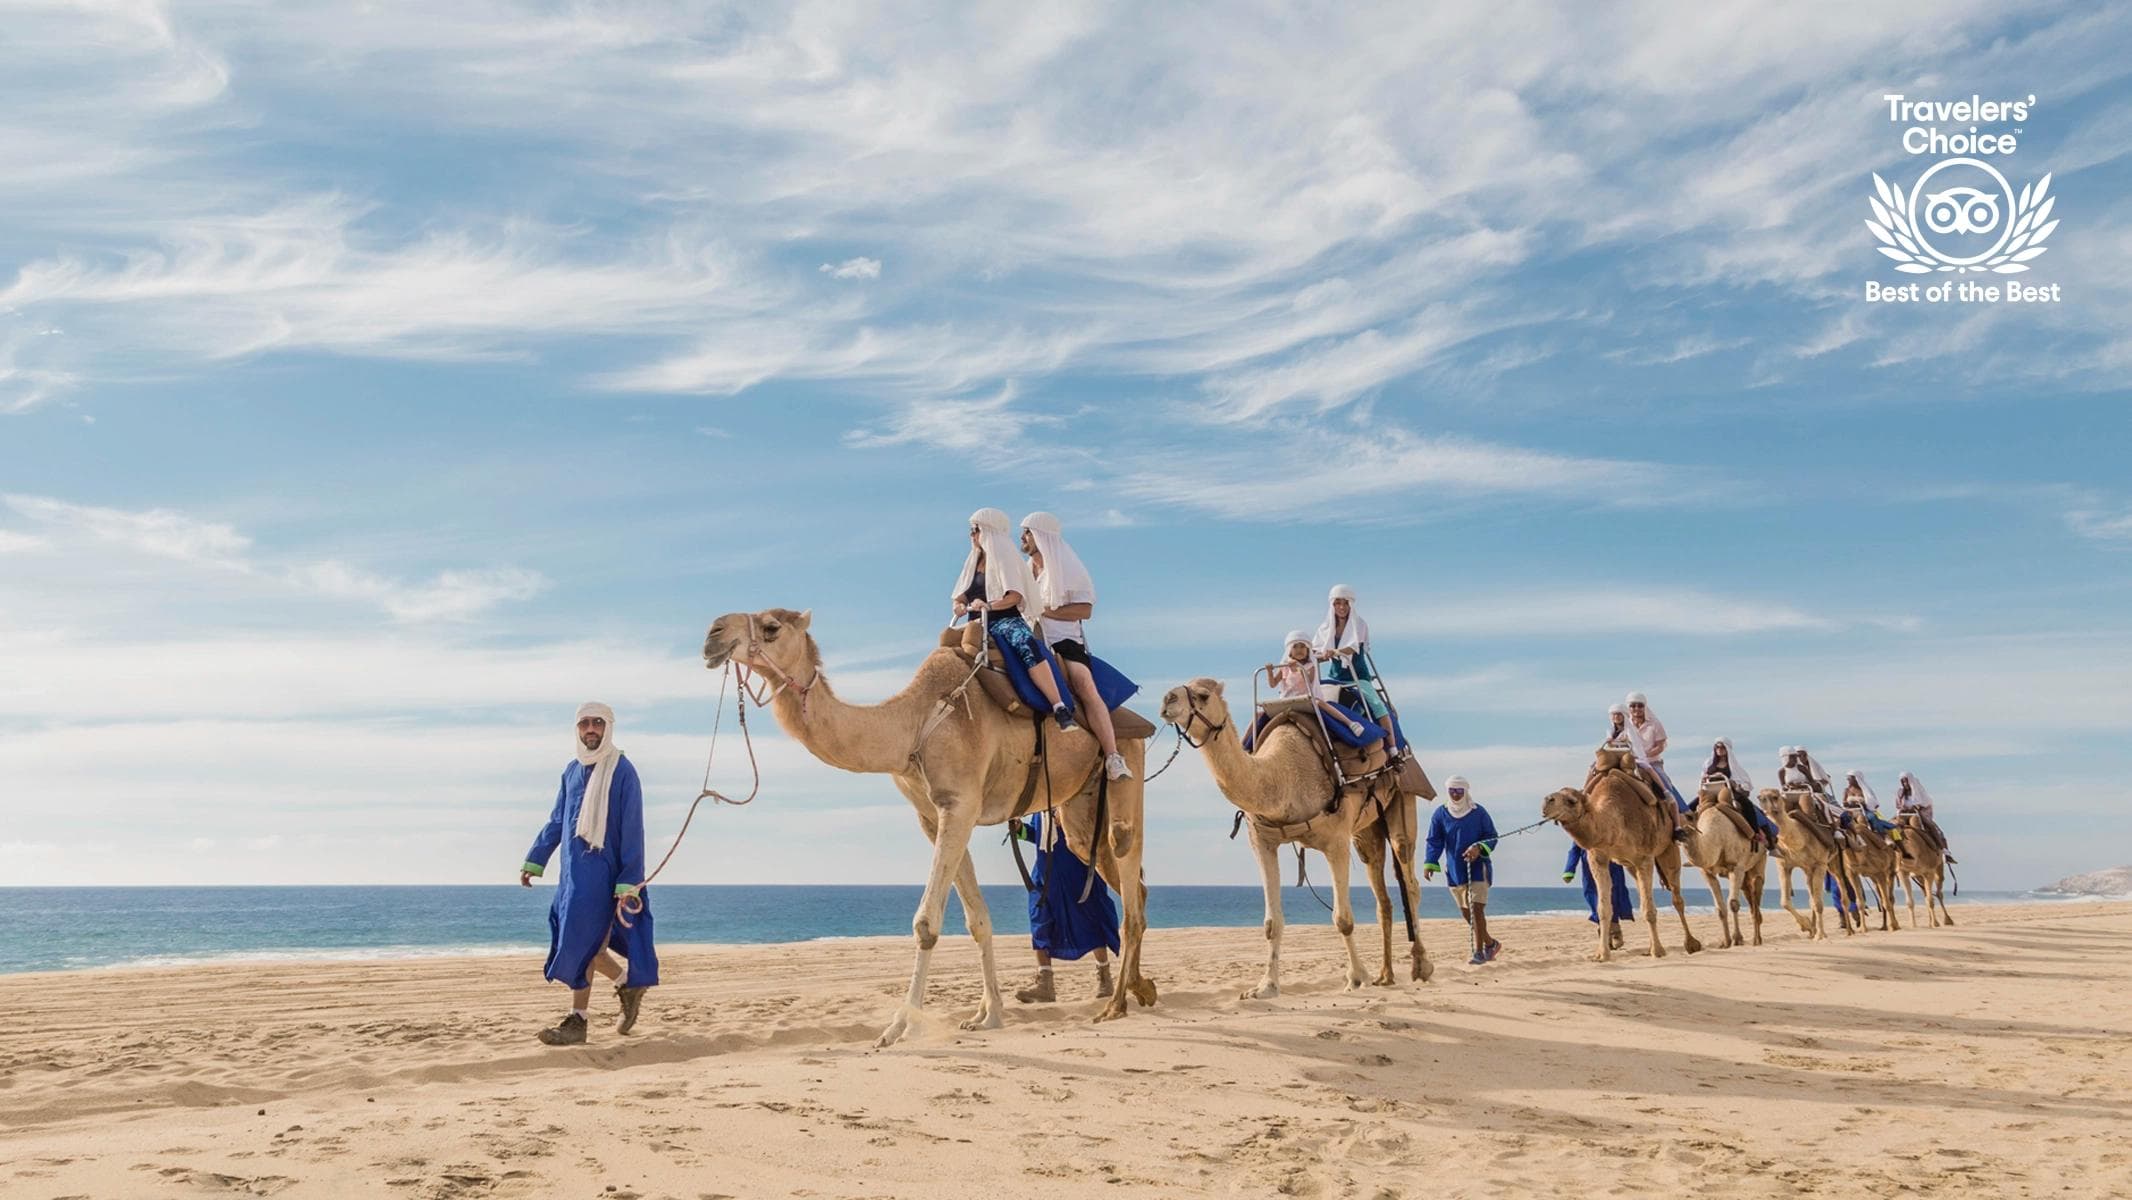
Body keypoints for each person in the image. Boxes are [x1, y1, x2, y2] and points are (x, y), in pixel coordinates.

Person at [520, 702, 657, 1045]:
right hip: (572, 877)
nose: (591, 729)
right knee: (588, 946)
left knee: (585, 945)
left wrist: (629, 880)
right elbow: (557, 820)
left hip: (607, 876)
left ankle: (578, 1021)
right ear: (577, 729)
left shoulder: (623, 770)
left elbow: (633, 827)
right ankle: (626, 985)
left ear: (608, 727)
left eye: (598, 723)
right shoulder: (571, 771)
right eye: (585, 723)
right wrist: (534, 859)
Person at [1020, 512, 1129, 780]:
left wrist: (1044, 611)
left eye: (1028, 532)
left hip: (1064, 642)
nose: (1022, 537)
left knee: (1084, 684)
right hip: (1030, 640)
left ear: (1042, 536)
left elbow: (1084, 610)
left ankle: (1113, 756)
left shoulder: (1068, 569)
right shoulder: (1025, 571)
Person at [953, 507, 1072, 730]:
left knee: (1026, 644)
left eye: (975, 529)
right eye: (971, 530)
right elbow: (960, 595)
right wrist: (959, 606)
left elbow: (1014, 596)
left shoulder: (1005, 558)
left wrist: (988, 606)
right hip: (975, 623)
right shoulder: (973, 562)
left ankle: (1058, 706)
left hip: (1004, 620)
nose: (971, 534)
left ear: (988, 531)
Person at [1009, 812, 1120, 1003]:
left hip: (1078, 871)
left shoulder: (1075, 801)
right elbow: (1037, 836)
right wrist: (1020, 829)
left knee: (1090, 919)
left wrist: (1068, 819)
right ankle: (1045, 985)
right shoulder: (1040, 807)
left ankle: (1104, 978)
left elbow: (1095, 829)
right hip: (1045, 875)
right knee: (1040, 923)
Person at [1423, 776, 1500, 965]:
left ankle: (1479, 952)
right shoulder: (1440, 814)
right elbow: (1434, 840)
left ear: (1466, 791)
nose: (1456, 795)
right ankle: (1491, 944)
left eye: (1459, 791)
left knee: (1476, 909)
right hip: (1455, 869)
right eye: (1452, 791)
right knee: (1466, 913)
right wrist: (1430, 862)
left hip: (1478, 868)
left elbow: (1492, 836)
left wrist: (1478, 848)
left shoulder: (1478, 812)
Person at [1314, 585, 1395, 745]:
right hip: (1335, 677)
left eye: (1345, 603)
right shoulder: (1325, 628)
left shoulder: (1359, 624)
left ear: (1351, 604)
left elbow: (1353, 647)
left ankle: (1392, 746)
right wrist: (1318, 654)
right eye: (1338, 603)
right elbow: (1316, 649)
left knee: (1377, 706)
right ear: (1332, 605)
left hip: (1357, 676)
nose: (1342, 607)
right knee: (1317, 703)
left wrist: (1334, 651)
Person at [1270, 630, 1367, 737]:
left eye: (1302, 647)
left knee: (1319, 702)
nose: (1299, 650)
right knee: (1264, 713)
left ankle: (1350, 723)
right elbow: (1273, 684)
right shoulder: (1284, 667)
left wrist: (1298, 668)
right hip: (1287, 700)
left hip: (1305, 699)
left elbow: (1309, 681)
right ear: (1289, 650)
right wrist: (1269, 671)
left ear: (1307, 650)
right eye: (1295, 647)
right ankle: (1254, 741)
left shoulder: (1310, 666)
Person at [1623, 691, 1691, 841]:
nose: (1636, 709)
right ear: (1628, 708)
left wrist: (1645, 755)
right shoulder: (1625, 725)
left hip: (1651, 761)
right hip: (1630, 762)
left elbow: (1660, 745)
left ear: (1644, 707)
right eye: (1633, 706)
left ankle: (1679, 821)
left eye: (1639, 705)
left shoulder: (1654, 724)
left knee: (1663, 782)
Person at [1702, 737, 1778, 849]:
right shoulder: (1709, 763)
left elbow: (1743, 782)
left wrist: (1735, 784)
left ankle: (1757, 833)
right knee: (1694, 806)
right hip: (1711, 791)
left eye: (1722, 747)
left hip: (1728, 791)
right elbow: (1703, 776)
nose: (1719, 749)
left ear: (1727, 749)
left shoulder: (1734, 766)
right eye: (1717, 747)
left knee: (1748, 806)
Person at [1563, 843, 1632, 948]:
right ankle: (1604, 932)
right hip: (1590, 867)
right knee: (1593, 897)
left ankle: (1615, 929)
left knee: (1614, 895)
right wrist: (1569, 869)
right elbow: (1575, 849)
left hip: (1612, 863)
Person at [1896, 772, 1955, 862]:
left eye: (1906, 781)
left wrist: (1916, 807)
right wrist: (1902, 809)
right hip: (1904, 814)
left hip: (1918, 814)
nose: (1905, 784)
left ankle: (1944, 852)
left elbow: (1925, 803)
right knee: (1892, 826)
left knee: (1932, 827)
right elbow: (1898, 805)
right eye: (1903, 782)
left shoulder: (1918, 790)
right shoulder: (1900, 793)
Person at [1841, 769, 1901, 838]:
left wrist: (1861, 803)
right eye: (1847, 778)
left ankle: (1883, 835)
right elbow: (1844, 802)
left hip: (1863, 810)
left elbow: (1869, 802)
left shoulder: (1864, 790)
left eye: (1849, 778)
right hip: (1850, 810)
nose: (1847, 780)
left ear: (1856, 778)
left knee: (1872, 817)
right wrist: (1849, 803)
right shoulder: (1846, 790)